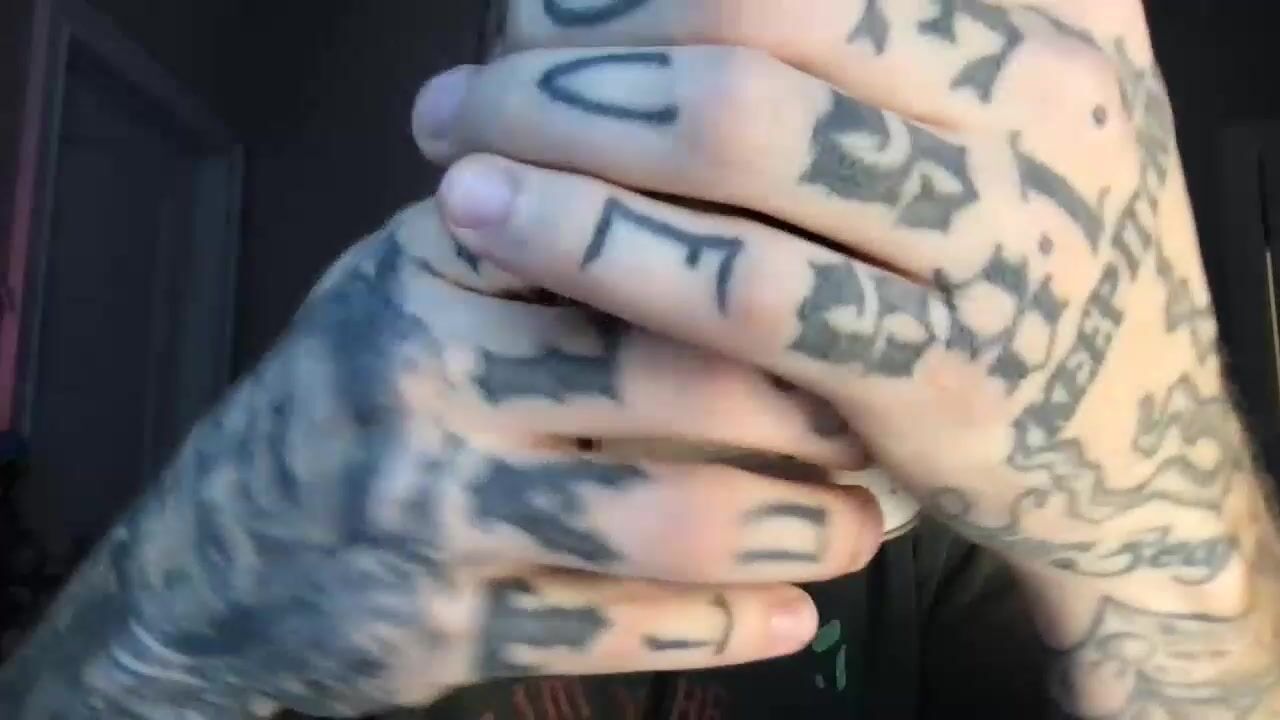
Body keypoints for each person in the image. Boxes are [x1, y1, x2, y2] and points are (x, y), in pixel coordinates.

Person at [3, 0, 1278, 718]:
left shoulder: (974, 529)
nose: (738, 140)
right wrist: (160, 635)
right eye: (648, 88)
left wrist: (1163, 518)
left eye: (855, 137)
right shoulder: (337, 487)